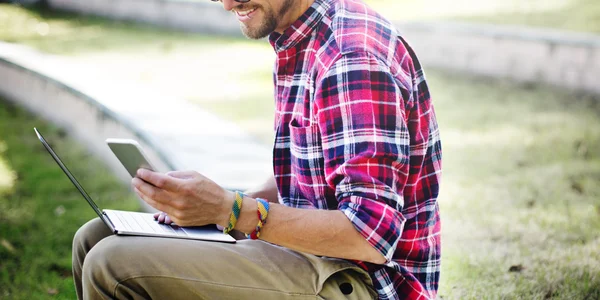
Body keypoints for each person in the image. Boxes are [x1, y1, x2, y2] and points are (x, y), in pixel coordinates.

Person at [72, 0, 442, 299]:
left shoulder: (350, 59)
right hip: (316, 259)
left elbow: (370, 234)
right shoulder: (302, 37)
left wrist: (231, 210)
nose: (228, 3)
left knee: (112, 264)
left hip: (368, 283)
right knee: (94, 238)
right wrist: (216, 209)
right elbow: (307, 174)